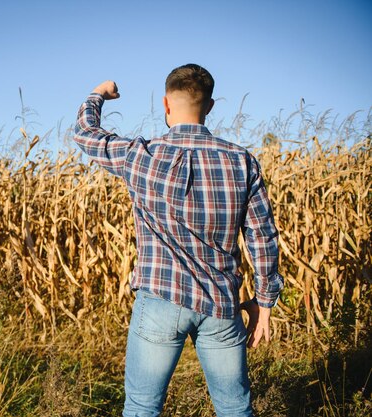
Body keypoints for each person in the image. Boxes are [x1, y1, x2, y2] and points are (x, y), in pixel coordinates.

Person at [73, 64, 283, 417]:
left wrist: (98, 95)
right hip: (221, 304)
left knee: (142, 408)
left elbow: (85, 134)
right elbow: (262, 236)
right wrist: (264, 302)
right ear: (211, 106)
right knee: (234, 408)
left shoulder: (143, 155)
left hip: (159, 301)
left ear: (165, 104)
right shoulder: (241, 161)